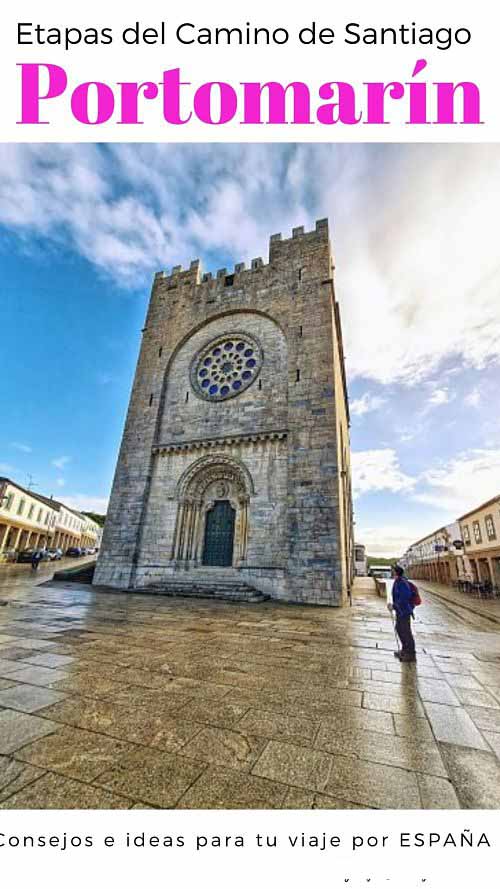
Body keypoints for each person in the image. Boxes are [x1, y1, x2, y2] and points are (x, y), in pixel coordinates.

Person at [389, 565, 416, 662]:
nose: (391, 572)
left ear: (396, 572)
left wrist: (395, 606)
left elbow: (405, 596)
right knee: (400, 629)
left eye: (393, 571)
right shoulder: (398, 581)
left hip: (404, 611)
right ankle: (405, 650)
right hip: (400, 611)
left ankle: (410, 654)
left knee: (405, 631)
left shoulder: (402, 582)